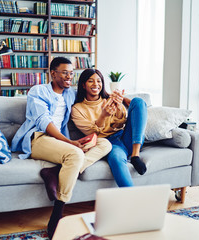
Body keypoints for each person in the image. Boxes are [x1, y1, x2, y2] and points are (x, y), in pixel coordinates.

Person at [11, 58, 112, 239]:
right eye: (65, 72)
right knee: (74, 154)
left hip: (62, 142)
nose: (69, 77)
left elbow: (95, 91)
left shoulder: (70, 94)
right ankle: (57, 213)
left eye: (72, 73)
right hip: (39, 138)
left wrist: (124, 99)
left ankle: (56, 172)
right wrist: (69, 142)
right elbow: (43, 121)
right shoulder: (38, 91)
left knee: (105, 143)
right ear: (53, 73)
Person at [71, 68, 148, 188]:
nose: (96, 84)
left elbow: (121, 123)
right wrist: (103, 116)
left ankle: (135, 155)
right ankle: (132, 198)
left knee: (138, 102)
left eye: (99, 81)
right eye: (91, 81)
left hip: (126, 138)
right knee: (117, 159)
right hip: (108, 143)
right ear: (83, 85)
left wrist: (119, 106)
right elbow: (91, 133)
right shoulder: (77, 109)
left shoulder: (108, 99)